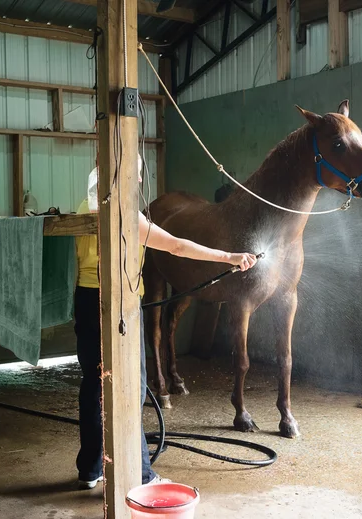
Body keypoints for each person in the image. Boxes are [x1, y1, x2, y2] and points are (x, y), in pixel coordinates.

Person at [74, 157, 258, 489]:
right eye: (138, 173)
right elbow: (177, 246)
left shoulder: (82, 207)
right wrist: (228, 257)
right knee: (134, 385)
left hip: (87, 300)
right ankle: (142, 473)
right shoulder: (128, 216)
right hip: (120, 305)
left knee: (93, 385)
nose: (140, 180)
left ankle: (90, 469)